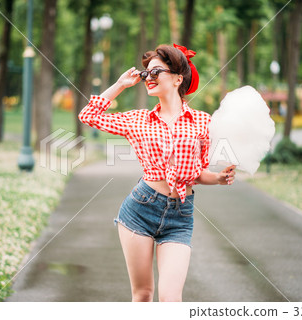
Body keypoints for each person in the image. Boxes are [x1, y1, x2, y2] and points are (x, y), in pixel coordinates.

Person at [79, 44, 236, 302]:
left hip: (180, 215)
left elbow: (195, 173)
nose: (147, 78)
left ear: (178, 78)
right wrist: (120, 84)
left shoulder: (203, 122)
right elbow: (88, 115)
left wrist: (219, 178)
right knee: (143, 294)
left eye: (156, 72)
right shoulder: (138, 120)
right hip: (140, 210)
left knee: (170, 298)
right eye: (145, 74)